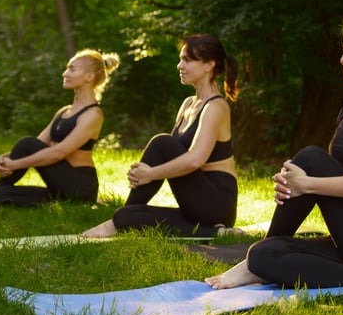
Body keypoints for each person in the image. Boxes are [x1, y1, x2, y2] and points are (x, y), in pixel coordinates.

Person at [206, 5, 343, 290]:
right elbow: (336, 177)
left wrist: (308, 184)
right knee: (264, 254)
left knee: (310, 158)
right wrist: (295, 185)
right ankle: (256, 262)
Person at [81, 34, 238, 238]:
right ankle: (219, 233)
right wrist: (145, 173)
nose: (179, 66)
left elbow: (194, 160)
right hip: (194, 203)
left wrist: (150, 174)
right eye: (181, 59)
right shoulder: (188, 104)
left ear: (208, 65)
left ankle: (114, 223)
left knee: (162, 142)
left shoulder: (216, 107)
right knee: (128, 217)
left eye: (187, 60)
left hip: (216, 203)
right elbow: (169, 156)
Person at [0, 50, 119, 211]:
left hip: (79, 187)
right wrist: (5, 159)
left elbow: (57, 153)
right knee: (3, 193)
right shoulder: (64, 111)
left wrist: (14, 164)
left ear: (89, 76)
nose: (65, 73)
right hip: (59, 186)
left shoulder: (93, 114)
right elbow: (37, 146)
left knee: (26, 142)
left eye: (72, 69)